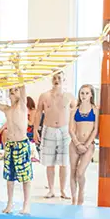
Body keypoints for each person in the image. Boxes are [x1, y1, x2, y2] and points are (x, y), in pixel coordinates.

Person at [0, 58, 31, 215]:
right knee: (9, 176)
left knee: (25, 176)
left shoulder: (22, 106)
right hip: (10, 145)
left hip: (22, 144)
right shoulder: (7, 109)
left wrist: (17, 66)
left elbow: (22, 85)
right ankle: (10, 203)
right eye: (10, 91)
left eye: (15, 90)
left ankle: (27, 204)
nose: (13, 92)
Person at [35, 71, 74, 199]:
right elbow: (39, 112)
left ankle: (63, 190)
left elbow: (75, 114)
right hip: (48, 129)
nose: (57, 80)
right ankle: (51, 189)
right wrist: (36, 129)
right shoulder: (44, 96)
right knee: (49, 162)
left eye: (59, 78)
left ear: (64, 79)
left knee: (64, 162)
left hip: (65, 130)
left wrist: (75, 131)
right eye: (54, 78)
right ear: (51, 80)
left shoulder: (69, 96)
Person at [68, 84, 99, 206]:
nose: (84, 96)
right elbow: (71, 129)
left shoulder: (95, 110)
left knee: (80, 172)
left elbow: (95, 130)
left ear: (91, 94)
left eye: (87, 93)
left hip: (88, 145)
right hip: (75, 144)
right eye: (82, 93)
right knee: (73, 171)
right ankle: (73, 199)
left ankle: (81, 194)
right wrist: (77, 143)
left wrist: (85, 145)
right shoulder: (74, 110)